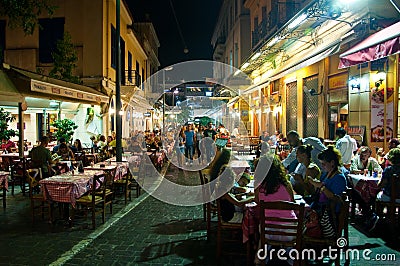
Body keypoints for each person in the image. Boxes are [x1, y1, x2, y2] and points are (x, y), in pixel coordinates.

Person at [254, 155, 297, 265]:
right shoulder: (286, 185)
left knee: (260, 229)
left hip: (268, 230)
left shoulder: (259, 187)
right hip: (289, 231)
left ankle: (262, 258)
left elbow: (258, 202)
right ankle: (291, 259)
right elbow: (293, 203)